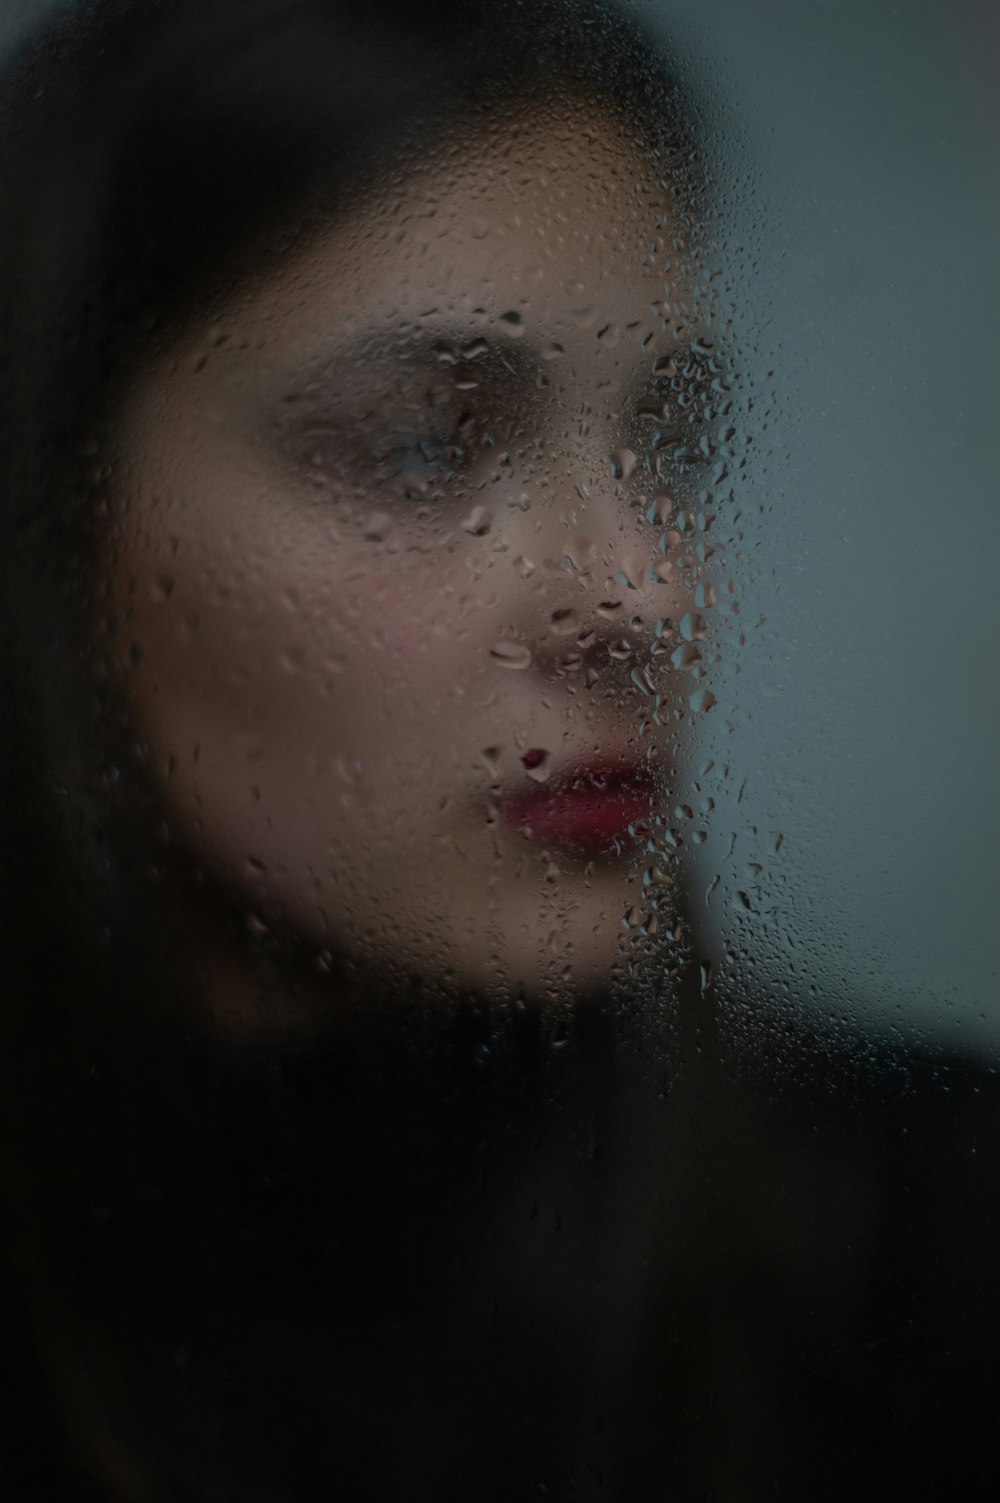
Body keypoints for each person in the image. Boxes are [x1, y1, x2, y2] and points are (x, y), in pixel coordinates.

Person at [1, 1, 998, 1500]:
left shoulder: (937, 1228)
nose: (646, 596)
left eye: (665, 444)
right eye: (421, 444)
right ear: (58, 537)